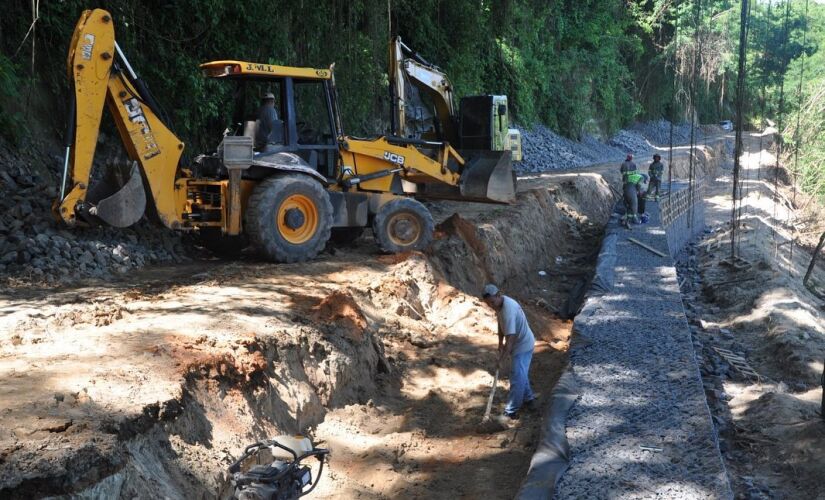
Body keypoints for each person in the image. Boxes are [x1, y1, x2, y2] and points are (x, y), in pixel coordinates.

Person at [482, 284, 536, 422]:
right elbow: (501, 324)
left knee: (517, 377)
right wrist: (500, 342)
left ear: (498, 295)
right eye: (488, 304)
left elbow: (511, 339)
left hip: (523, 345)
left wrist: (502, 358)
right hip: (518, 343)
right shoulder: (499, 305)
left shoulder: (508, 310)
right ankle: (529, 399)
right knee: (520, 373)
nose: (491, 306)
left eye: (492, 302)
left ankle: (511, 411)